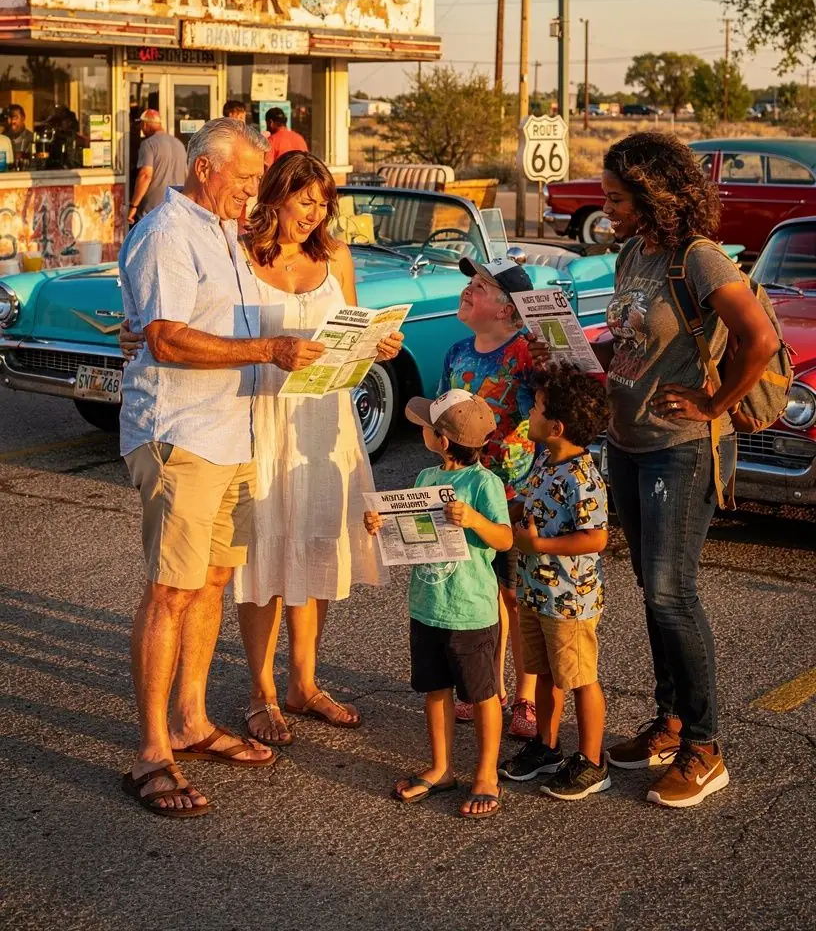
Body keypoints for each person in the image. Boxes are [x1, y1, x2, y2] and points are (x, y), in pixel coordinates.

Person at [118, 118, 326, 819]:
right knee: (170, 592)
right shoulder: (167, 232)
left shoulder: (224, 232)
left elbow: (192, 323)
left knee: (209, 583)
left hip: (232, 433)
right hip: (182, 434)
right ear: (205, 167)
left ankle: (192, 721)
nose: (253, 191)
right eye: (244, 178)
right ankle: (153, 752)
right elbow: (167, 338)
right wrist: (268, 351)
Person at [598, 131, 779, 808]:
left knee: (673, 593)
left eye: (618, 198)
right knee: (653, 588)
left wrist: (714, 403)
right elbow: (631, 342)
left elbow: (759, 338)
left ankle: (705, 747)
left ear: (654, 196)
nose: (607, 208)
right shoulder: (632, 253)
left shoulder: (699, 258)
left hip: (681, 445)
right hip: (627, 441)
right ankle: (669, 723)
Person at [232, 151, 403, 740]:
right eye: (304, 201)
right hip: (261, 417)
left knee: (316, 544)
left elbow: (354, 330)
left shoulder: (335, 256)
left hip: (325, 420)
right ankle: (261, 692)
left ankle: (304, 683)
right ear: (275, 195)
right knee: (262, 552)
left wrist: (379, 346)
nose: (314, 213)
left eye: (323, 203)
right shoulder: (239, 253)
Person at [364, 389, 513, 818]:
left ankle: (486, 774)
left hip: (471, 610)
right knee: (434, 688)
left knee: (483, 695)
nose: (423, 431)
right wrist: (380, 523)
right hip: (427, 604)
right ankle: (441, 767)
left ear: (443, 440)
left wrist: (475, 519)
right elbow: (408, 530)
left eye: (427, 427)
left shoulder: (484, 483)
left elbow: (505, 539)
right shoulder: (426, 478)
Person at [437, 256, 541, 738]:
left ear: (506, 310)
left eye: (479, 286)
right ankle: (489, 689)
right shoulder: (457, 352)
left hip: (514, 495)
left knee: (516, 596)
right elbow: (441, 414)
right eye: (470, 284)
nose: (468, 291)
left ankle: (526, 696)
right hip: (467, 494)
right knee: (483, 595)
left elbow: (543, 418)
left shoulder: (526, 354)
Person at [501, 363, 611, 801]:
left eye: (537, 407)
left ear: (557, 426)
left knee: (581, 678)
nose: (530, 412)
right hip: (536, 592)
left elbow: (596, 537)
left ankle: (592, 761)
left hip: (569, 602)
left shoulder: (583, 478)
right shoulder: (546, 461)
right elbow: (526, 504)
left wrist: (539, 545)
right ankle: (546, 747)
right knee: (543, 672)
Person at [128, 110, 187, 224]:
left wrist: (134, 206)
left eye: (141, 125)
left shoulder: (148, 144)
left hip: (153, 210)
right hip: (175, 207)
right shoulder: (179, 144)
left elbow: (145, 176)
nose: (141, 129)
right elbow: (186, 175)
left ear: (145, 124)